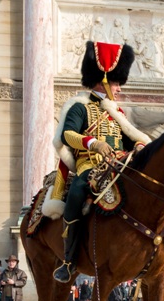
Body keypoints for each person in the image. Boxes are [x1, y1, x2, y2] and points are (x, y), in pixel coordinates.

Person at [47, 41, 149, 283]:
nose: (119, 89)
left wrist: (139, 147)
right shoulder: (79, 107)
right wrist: (93, 143)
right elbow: (67, 135)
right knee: (77, 193)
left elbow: (129, 141)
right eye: (116, 83)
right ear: (103, 80)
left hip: (118, 167)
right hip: (88, 166)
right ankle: (69, 260)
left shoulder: (118, 114)